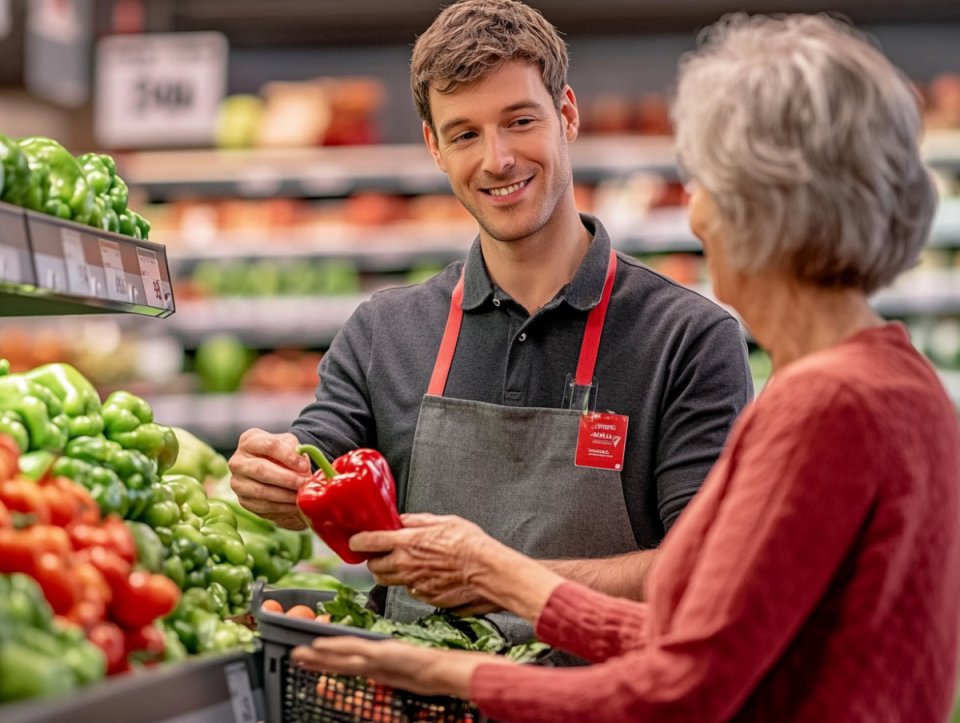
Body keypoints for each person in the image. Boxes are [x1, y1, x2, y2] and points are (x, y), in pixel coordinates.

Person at [291, 12, 960, 722]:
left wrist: (461, 674)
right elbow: (706, 636)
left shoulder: (827, 403)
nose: (695, 214)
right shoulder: (897, 381)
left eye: (702, 181)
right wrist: (500, 585)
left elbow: (689, 685)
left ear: (762, 210)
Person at [228, 0, 750, 642]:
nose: (497, 160)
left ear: (567, 115)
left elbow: (703, 572)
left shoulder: (688, 339)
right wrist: (276, 478)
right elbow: (319, 457)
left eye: (520, 120)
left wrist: (498, 576)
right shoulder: (383, 332)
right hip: (417, 704)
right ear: (435, 148)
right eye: (465, 134)